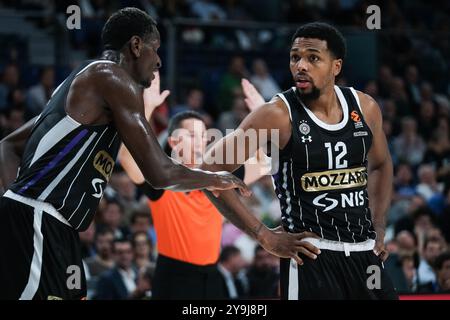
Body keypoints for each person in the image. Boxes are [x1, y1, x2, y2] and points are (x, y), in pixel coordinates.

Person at [0, 7, 250, 300]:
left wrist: (13, 200)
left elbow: (7, 145)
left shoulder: (83, 84)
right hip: (38, 218)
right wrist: (215, 179)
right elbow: (160, 173)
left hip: (56, 227)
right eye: (154, 49)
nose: (158, 61)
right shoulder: (113, 78)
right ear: (135, 45)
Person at [200, 22, 398, 299]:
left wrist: (379, 226)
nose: (301, 65)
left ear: (336, 66)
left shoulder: (365, 107)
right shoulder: (276, 115)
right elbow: (210, 169)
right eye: (295, 57)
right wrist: (263, 235)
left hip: (366, 255)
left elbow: (380, 164)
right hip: (312, 258)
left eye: (313, 57)